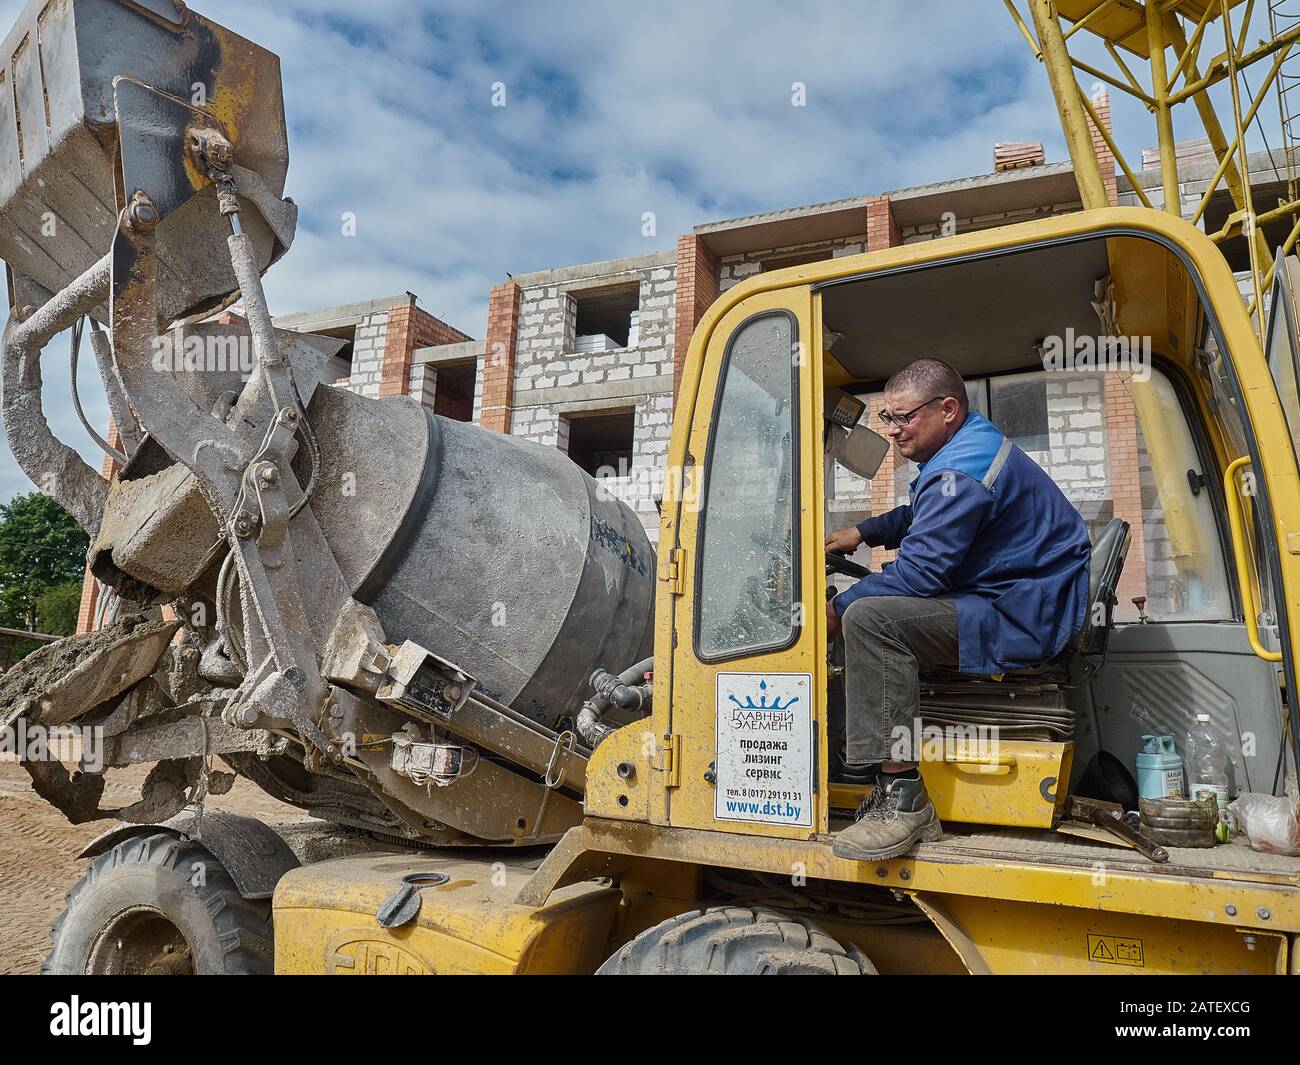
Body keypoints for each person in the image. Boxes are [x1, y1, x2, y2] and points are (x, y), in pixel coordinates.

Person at [825, 358, 1090, 861]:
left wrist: (838, 608)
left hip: (1022, 613)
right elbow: (921, 515)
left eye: (904, 418)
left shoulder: (960, 470)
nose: (895, 431)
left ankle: (903, 800)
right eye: (888, 419)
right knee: (871, 607)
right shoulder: (967, 446)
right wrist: (867, 531)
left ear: (947, 409)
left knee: (870, 619)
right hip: (1015, 596)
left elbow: (923, 576)